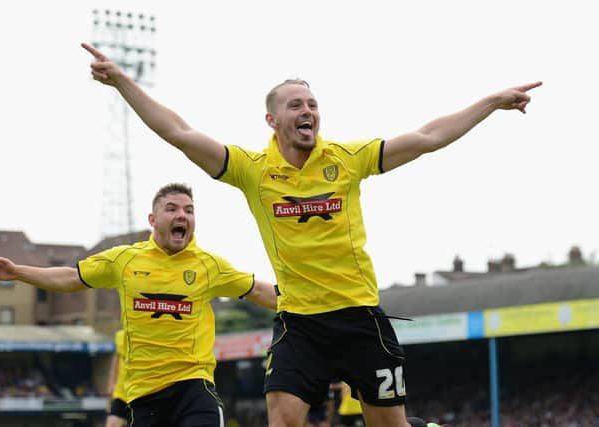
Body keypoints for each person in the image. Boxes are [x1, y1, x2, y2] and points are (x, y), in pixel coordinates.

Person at [81, 41, 541, 427]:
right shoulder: (252, 170)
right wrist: (122, 81)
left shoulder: (348, 158)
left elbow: (426, 136)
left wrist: (491, 102)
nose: (308, 111)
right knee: (282, 416)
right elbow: (178, 132)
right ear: (272, 120)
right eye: (295, 104)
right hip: (300, 324)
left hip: (359, 318)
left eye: (313, 104)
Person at [0, 182, 277, 427]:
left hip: (193, 385)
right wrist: (17, 272)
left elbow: (259, 291)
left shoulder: (208, 265)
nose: (182, 215)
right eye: (171, 209)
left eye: (189, 210)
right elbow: (70, 278)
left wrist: (315, 302)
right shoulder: (125, 260)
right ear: (153, 220)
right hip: (144, 394)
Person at [105, 329, 128, 427]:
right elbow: (115, 362)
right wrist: (111, 384)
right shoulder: (120, 336)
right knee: (112, 423)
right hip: (121, 392)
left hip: (141, 392)